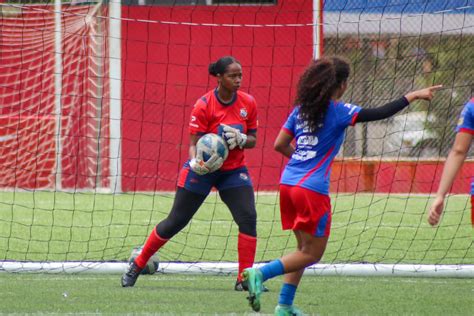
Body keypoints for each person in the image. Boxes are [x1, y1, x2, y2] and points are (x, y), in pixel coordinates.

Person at [242, 56, 442, 315]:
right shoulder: (340, 111)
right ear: (343, 84)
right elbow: (380, 113)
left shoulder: (301, 109)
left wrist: (302, 160)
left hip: (288, 183)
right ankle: (259, 273)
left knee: (302, 249)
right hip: (311, 190)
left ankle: (284, 306)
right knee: (312, 254)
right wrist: (413, 95)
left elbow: (279, 144)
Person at [121, 56, 260, 291]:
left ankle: (243, 279)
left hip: (233, 171)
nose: (238, 80)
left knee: (248, 218)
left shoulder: (248, 103)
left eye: (240, 75)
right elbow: (194, 144)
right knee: (176, 221)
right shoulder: (204, 105)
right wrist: (197, 161)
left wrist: (243, 139)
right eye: (232, 76)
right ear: (219, 78)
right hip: (203, 171)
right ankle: (137, 264)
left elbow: (253, 140)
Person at [428, 97, 474, 227]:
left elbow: (458, 151)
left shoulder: (471, 105)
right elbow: (458, 151)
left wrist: (440, 195)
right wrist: (440, 195)